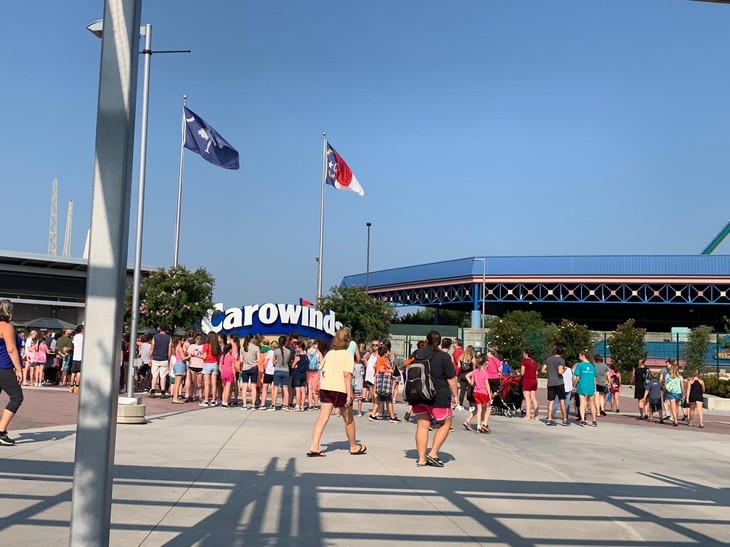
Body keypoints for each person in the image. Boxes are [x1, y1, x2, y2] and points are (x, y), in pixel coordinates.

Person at [307, 327, 366, 457]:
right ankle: (353, 446)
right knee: (348, 419)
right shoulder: (347, 355)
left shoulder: (329, 353)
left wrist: (319, 384)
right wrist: (349, 394)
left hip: (327, 388)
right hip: (341, 390)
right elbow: (347, 375)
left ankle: (314, 445)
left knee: (323, 417)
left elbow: (321, 370)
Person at [412, 330, 457, 468]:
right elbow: (451, 379)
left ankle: (421, 459)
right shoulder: (444, 356)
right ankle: (433, 453)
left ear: (426, 340)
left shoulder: (417, 354)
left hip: (419, 393)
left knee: (422, 425)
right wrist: (455, 395)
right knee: (446, 423)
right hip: (438, 395)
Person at [0, 300, 24, 445]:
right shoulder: (6, 327)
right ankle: (1, 431)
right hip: (4, 367)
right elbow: (11, 349)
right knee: (16, 397)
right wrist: (19, 368)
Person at [462, 354, 492, 432]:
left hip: (476, 392)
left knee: (479, 409)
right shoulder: (485, 372)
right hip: (483, 392)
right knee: (486, 408)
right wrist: (489, 394)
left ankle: (478, 425)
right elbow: (487, 384)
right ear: (484, 363)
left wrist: (473, 384)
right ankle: (483, 423)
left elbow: (471, 381)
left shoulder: (475, 371)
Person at [542, 345, 568, 426]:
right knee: (562, 400)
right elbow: (560, 372)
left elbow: (543, 370)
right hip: (559, 382)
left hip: (550, 382)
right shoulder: (561, 360)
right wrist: (565, 369)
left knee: (551, 401)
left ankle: (549, 418)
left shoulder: (549, 359)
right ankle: (564, 419)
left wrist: (550, 372)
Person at [573, 351, 598, 427]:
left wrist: (574, 385)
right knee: (592, 404)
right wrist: (595, 387)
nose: (579, 357)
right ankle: (594, 421)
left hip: (582, 385)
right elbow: (594, 378)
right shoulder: (592, 366)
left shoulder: (580, 365)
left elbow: (577, 377)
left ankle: (583, 420)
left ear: (583, 356)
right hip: (590, 386)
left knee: (582, 403)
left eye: (580, 356)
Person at [149, 325, 172, 398]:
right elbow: (169, 350)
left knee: (154, 376)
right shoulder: (169, 338)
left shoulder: (155, 337)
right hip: (164, 359)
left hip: (155, 358)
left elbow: (152, 348)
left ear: (160, 329)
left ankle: (152, 391)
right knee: (163, 376)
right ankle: (163, 391)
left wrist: (149, 358)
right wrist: (169, 360)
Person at [269, 335, 291, 411]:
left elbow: (273, 362)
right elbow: (289, 361)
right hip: (286, 370)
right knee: (285, 388)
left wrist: (277, 363)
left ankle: (273, 405)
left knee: (276, 388)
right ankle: (286, 405)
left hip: (277, 370)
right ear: (285, 342)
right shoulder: (288, 351)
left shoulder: (276, 351)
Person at [199, 332, 221, 406]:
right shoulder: (217, 346)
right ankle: (213, 400)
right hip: (215, 364)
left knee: (207, 384)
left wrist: (198, 356)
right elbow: (219, 357)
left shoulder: (206, 346)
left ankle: (206, 400)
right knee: (214, 384)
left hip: (207, 364)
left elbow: (204, 357)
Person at [239, 334, 260, 410]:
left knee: (244, 387)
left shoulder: (242, 348)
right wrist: (254, 362)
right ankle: (253, 405)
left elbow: (241, 360)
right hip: (254, 368)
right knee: (253, 387)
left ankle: (244, 405)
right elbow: (259, 359)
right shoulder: (256, 347)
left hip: (245, 368)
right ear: (252, 339)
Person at [520, 349, 539, 421]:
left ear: (526, 354)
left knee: (527, 398)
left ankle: (528, 416)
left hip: (527, 380)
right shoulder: (534, 362)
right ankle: (536, 415)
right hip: (534, 380)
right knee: (533, 398)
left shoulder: (524, 361)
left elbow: (522, 372)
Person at [663, 360, 683, 427]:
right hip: (678, 392)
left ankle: (675, 420)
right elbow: (682, 386)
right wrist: (683, 393)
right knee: (677, 406)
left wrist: (664, 392)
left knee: (672, 406)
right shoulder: (680, 377)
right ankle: (676, 418)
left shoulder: (668, 376)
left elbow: (665, 384)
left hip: (671, 392)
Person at [291, 341, 308, 412]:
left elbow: (292, 366)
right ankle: (302, 405)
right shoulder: (306, 356)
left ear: (300, 348)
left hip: (297, 374)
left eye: (297, 347)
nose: (296, 348)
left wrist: (295, 365)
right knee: (303, 390)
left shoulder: (298, 357)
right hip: (304, 374)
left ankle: (297, 405)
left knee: (298, 391)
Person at [456, 345, 475, 411]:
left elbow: (458, 366)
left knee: (462, 390)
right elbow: (474, 368)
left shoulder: (461, 357)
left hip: (462, 375)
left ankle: (460, 405)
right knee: (470, 390)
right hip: (470, 375)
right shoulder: (472, 358)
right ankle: (471, 406)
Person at [259, 340, 277, 409]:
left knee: (264, 388)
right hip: (274, 372)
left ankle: (263, 403)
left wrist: (264, 369)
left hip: (268, 371)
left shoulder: (269, 352)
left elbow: (265, 362)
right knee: (273, 388)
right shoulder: (277, 352)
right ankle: (273, 403)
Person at [306, 338, 322, 411]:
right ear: (315, 344)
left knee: (309, 389)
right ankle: (316, 404)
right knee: (315, 389)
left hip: (308, 372)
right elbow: (322, 363)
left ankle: (310, 405)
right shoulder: (318, 353)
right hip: (316, 372)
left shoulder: (307, 352)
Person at [219, 342, 237, 407]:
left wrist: (222, 372)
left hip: (223, 373)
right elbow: (233, 368)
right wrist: (234, 376)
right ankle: (226, 401)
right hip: (229, 373)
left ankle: (224, 401)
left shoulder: (222, 357)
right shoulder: (231, 357)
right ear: (229, 349)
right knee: (228, 388)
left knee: (224, 388)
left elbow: (220, 367)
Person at [170, 337, 187, 404]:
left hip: (177, 364)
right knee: (178, 382)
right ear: (179, 341)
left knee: (177, 382)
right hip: (180, 364)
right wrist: (189, 356)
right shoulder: (179, 348)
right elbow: (183, 358)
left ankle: (175, 397)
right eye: (182, 340)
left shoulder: (176, 348)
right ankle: (175, 398)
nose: (183, 341)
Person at [69, 325, 84, 394]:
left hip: (75, 356)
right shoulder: (83, 337)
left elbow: (73, 344)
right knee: (79, 372)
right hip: (81, 356)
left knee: (73, 372)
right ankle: (77, 386)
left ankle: (71, 386)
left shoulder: (75, 336)